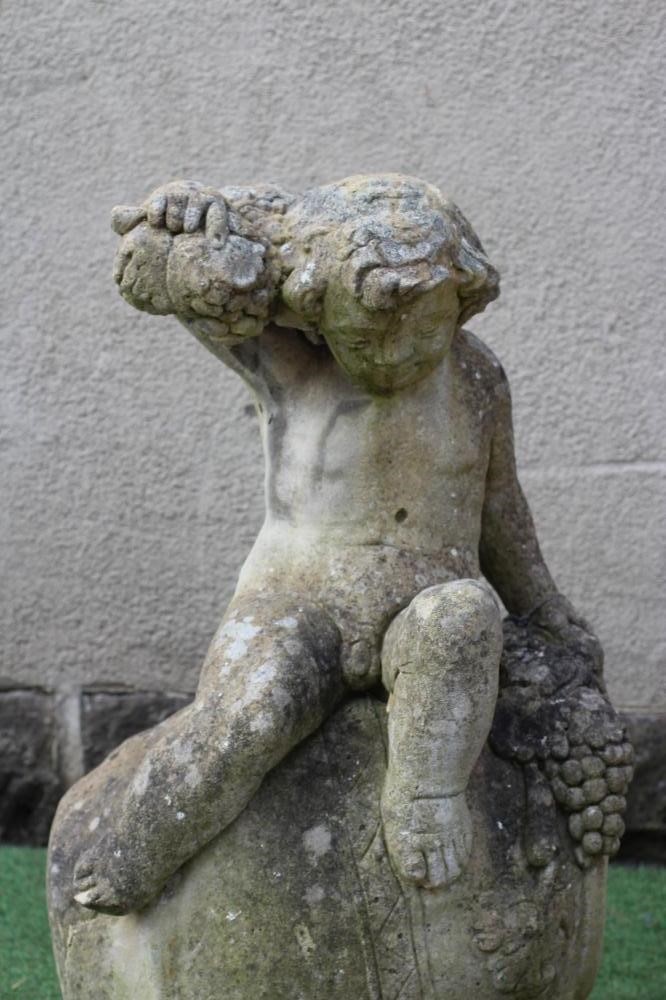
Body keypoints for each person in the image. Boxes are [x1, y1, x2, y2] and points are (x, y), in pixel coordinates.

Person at [69, 175, 598, 914]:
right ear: (315, 310)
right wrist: (188, 214)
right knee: (241, 722)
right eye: (364, 336)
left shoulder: (477, 378)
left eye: (425, 330)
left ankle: (425, 793)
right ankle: (136, 849)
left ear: (463, 304)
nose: (397, 355)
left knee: (463, 623)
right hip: (298, 602)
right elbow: (186, 287)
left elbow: (499, 504)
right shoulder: (287, 362)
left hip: (424, 600)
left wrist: (543, 604)